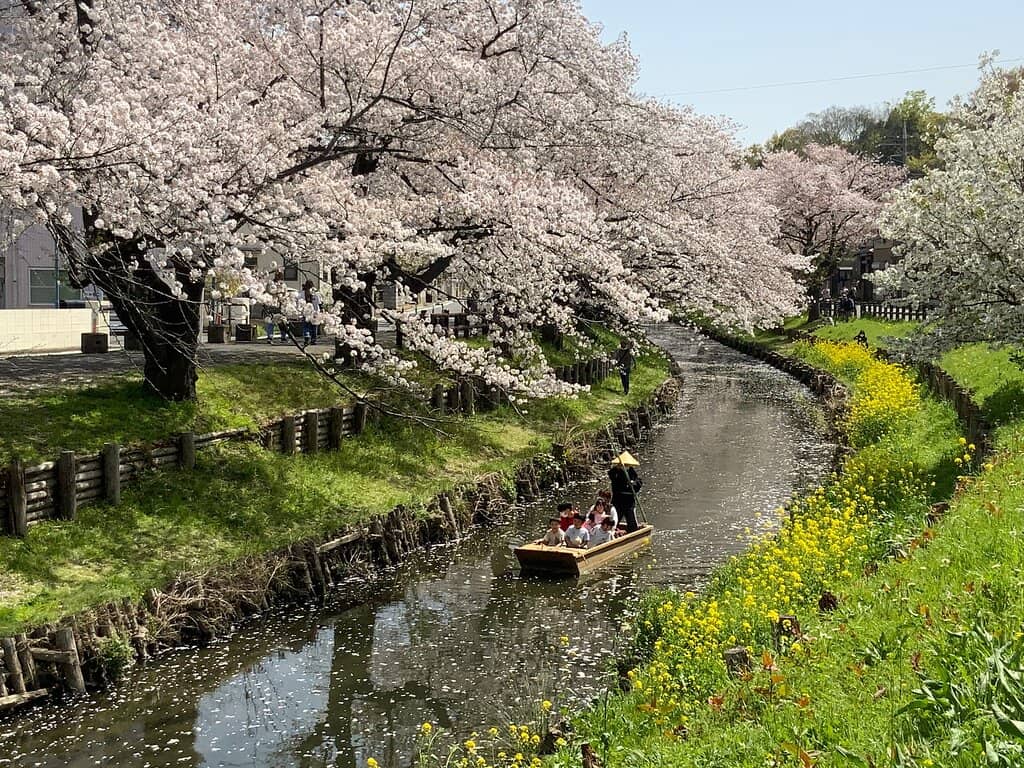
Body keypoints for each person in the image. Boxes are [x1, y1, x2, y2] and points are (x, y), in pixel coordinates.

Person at [609, 459, 643, 533]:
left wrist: (632, 484)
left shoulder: (631, 472)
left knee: (631, 521)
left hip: (629, 502)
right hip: (618, 501)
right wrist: (617, 468)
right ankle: (611, 533)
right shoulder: (615, 472)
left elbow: (638, 483)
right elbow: (611, 476)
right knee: (615, 519)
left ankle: (633, 533)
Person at [301, 279, 322, 347]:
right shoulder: (316, 293)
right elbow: (319, 303)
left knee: (306, 326)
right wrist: (321, 310)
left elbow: (300, 302)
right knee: (314, 326)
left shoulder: (303, 293)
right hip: (315, 312)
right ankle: (313, 340)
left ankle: (307, 338)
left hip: (306, 312)